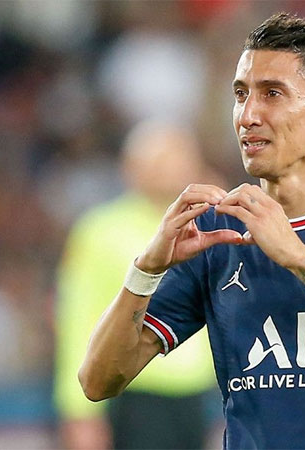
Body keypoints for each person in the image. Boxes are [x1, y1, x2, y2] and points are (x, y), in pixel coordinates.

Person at [79, 12, 305, 449]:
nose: (248, 115)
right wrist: (146, 269)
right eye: (241, 94)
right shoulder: (217, 232)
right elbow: (97, 381)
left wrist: (301, 260)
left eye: (272, 94)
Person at [55, 121, 219, 449]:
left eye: (177, 158)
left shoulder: (210, 226)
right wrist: (80, 410)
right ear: (130, 168)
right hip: (132, 390)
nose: (170, 169)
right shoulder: (100, 230)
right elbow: (77, 318)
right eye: (158, 161)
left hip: (200, 396)